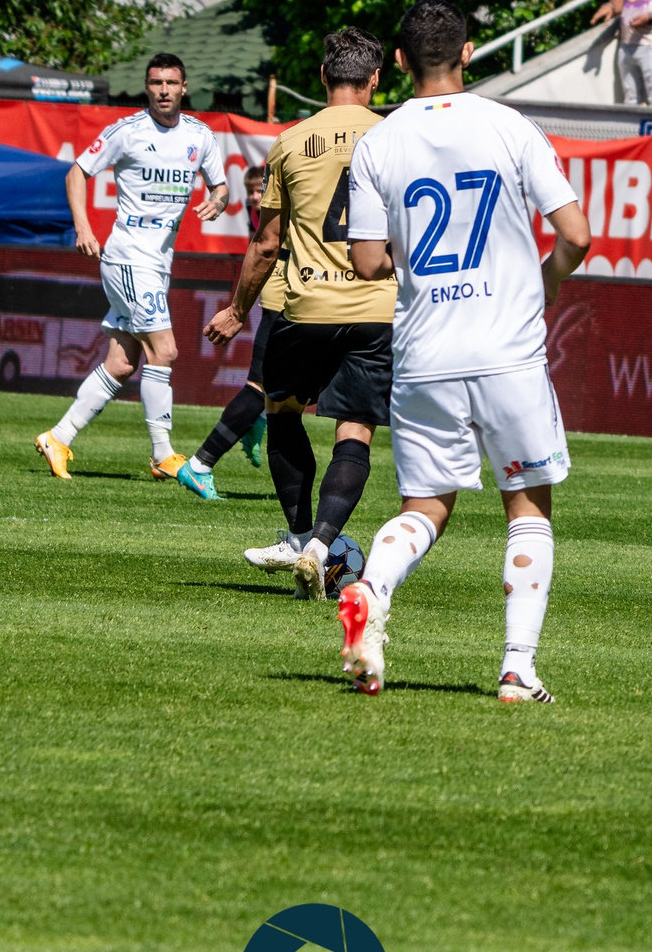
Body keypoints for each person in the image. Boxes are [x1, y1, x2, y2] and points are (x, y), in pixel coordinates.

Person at [338, 0, 594, 701]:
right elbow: (576, 233)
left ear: (397, 61)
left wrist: (425, 264)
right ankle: (517, 666)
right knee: (528, 507)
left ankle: (371, 585)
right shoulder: (508, 124)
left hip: (424, 353)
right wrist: (542, 281)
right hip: (508, 349)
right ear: (471, 52)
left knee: (426, 508)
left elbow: (365, 262)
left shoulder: (380, 142)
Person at [213, 29, 395, 600]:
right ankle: (321, 547)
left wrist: (239, 308)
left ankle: (298, 538)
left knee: (281, 412)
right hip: (376, 306)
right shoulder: (396, 137)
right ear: (374, 81)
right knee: (355, 431)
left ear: (322, 77)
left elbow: (267, 242)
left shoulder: (291, 141)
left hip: (308, 305)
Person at [36, 54, 228, 482]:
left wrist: (218, 200)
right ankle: (163, 454)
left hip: (158, 262)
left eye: (171, 82)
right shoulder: (127, 131)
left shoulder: (200, 135)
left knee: (122, 363)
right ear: (147, 86)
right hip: (128, 257)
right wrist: (84, 228)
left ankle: (58, 437)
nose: (163, 90)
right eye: (156, 82)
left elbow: (221, 186)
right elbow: (76, 174)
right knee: (166, 350)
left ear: (184, 87)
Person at [168, 160, 274, 504]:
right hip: (284, 302)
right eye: (253, 192)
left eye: (260, 191)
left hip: (287, 300)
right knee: (261, 387)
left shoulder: (265, 213)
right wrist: (238, 308)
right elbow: (265, 251)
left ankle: (255, 421)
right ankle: (200, 464)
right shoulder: (269, 216)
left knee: (280, 387)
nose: (256, 197)